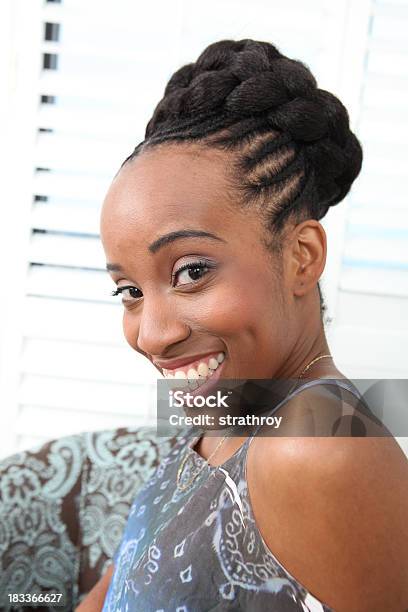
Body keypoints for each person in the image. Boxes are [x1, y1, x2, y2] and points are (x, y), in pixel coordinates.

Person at [76, 39, 408, 611]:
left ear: (301, 256)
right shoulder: (233, 399)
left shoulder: (314, 444)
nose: (152, 336)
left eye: (192, 271)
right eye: (129, 291)